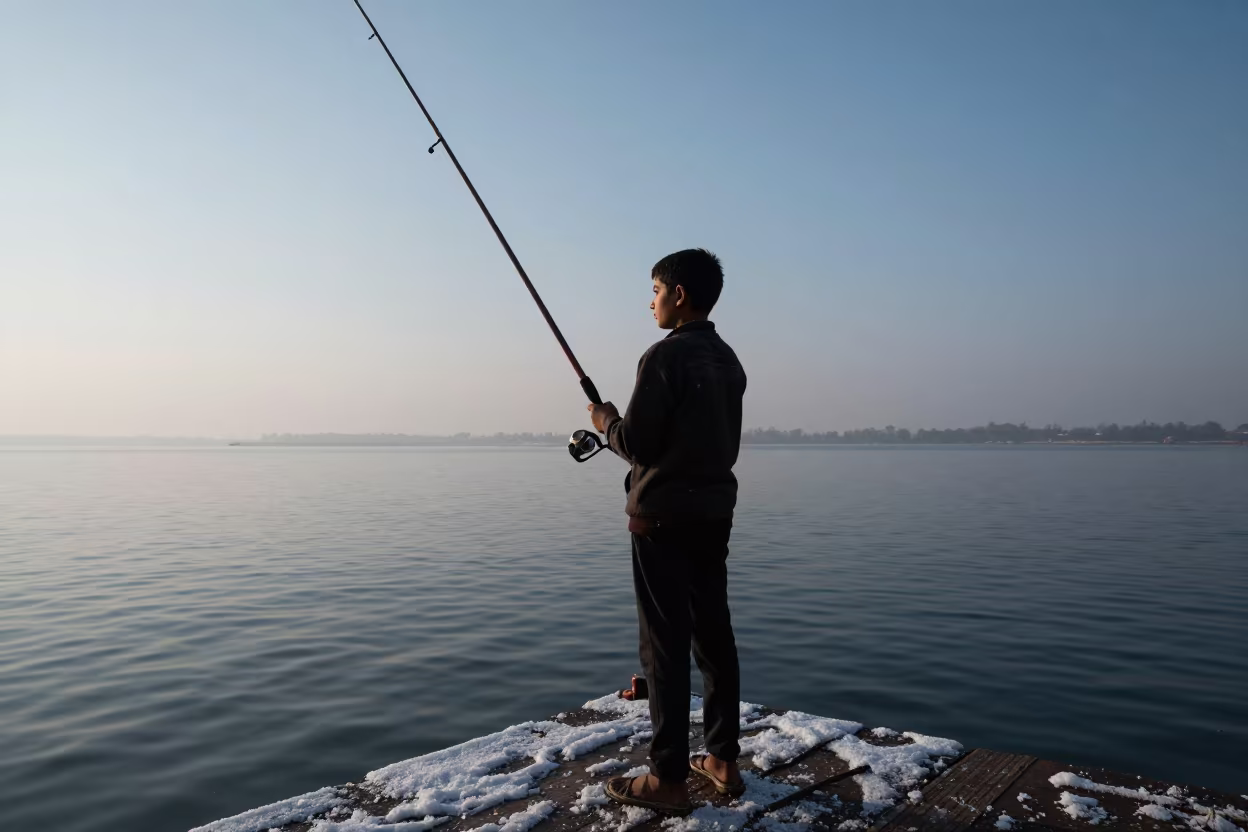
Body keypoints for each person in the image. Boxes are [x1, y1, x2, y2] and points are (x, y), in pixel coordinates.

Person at [587, 248, 748, 814]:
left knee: (664, 648)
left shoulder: (664, 356)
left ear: (679, 295)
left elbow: (640, 443)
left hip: (660, 521)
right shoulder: (728, 360)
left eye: (655, 290)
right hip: (713, 516)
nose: (650, 301)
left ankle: (668, 780)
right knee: (714, 636)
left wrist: (606, 421)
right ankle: (723, 760)